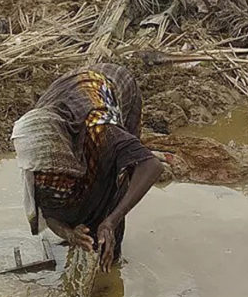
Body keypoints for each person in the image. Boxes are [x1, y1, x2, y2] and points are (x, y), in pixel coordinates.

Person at [11, 63, 163, 271]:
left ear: (63, 152)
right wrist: (70, 234)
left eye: (54, 169)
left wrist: (111, 221)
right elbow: (50, 212)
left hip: (115, 86)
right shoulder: (37, 150)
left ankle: (110, 247)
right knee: (67, 193)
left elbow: (150, 165)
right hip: (69, 93)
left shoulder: (101, 129)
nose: (48, 175)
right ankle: (90, 232)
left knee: (113, 174)